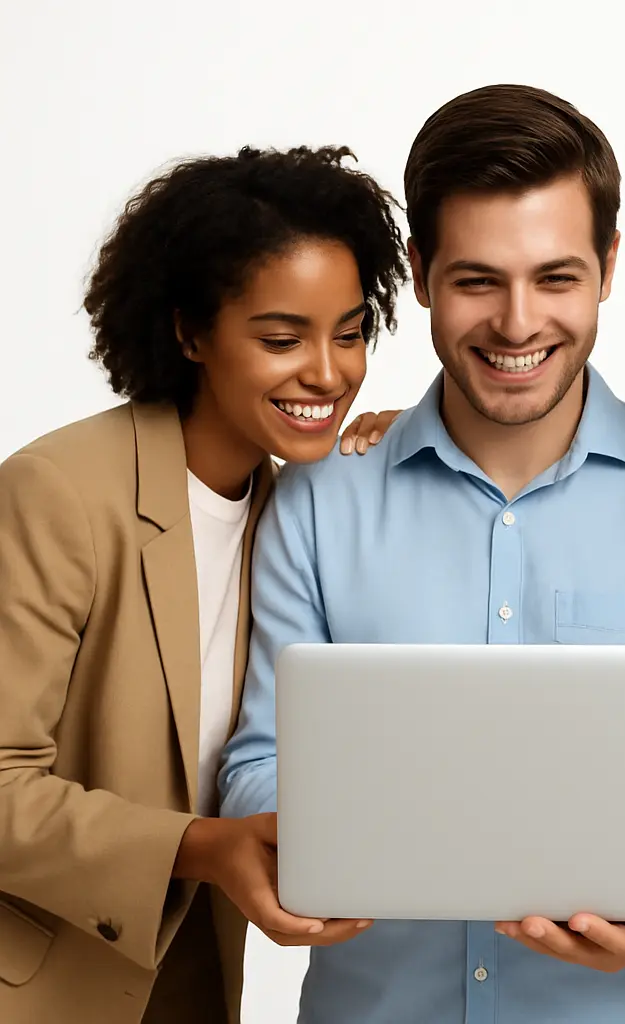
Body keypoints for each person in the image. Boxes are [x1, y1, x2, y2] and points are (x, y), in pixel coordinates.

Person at [219, 83, 625, 1024]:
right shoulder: (318, 503)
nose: (519, 322)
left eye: (557, 278)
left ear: (610, 268)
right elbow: (259, 762)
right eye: (478, 280)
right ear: (419, 273)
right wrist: (336, 841)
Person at [0, 144, 407, 1024]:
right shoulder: (60, 493)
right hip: (45, 987)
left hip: (193, 978)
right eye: (280, 338)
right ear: (189, 332)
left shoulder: (299, 510)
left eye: (349, 332)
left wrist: (420, 454)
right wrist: (199, 847)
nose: (329, 374)